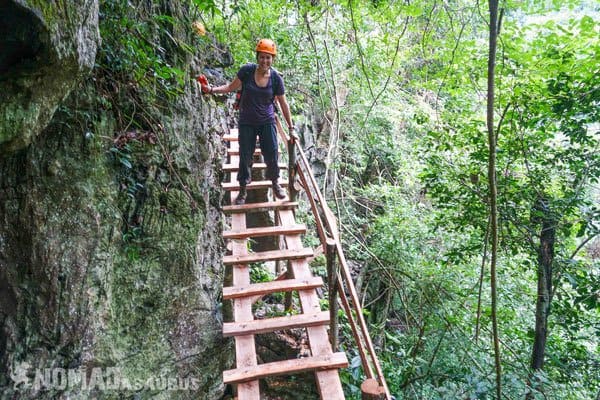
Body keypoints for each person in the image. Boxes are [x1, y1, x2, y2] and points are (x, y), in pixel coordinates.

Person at [198, 39, 295, 205]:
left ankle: (275, 184)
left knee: (271, 154)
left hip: (267, 122)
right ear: (257, 57)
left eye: (268, 57)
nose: (265, 61)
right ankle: (243, 189)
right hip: (247, 122)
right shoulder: (247, 72)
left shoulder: (276, 79)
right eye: (262, 57)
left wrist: (291, 128)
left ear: (273, 59)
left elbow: (284, 104)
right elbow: (231, 87)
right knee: (245, 156)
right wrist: (211, 90)